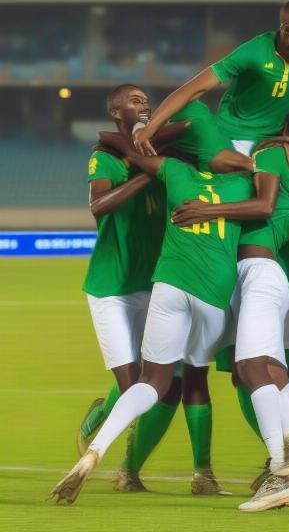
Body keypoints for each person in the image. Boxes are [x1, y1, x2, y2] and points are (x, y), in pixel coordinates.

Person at [51, 126, 254, 504]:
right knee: (192, 381)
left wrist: (118, 139)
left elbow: (126, 145)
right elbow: (264, 195)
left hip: (164, 283)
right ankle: (202, 473)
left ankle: (98, 453)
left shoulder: (173, 175)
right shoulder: (243, 185)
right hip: (201, 292)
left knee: (151, 383)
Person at [171, 106, 289, 512]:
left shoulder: (271, 155)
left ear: (284, 128)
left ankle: (280, 472)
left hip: (260, 273)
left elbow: (265, 206)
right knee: (270, 368)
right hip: (270, 273)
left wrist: (205, 209)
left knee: (249, 368)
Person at [131, 0, 289, 187]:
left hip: (276, 141)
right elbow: (193, 89)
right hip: (234, 138)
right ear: (286, 30)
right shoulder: (254, 53)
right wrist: (150, 128)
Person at [78, 84, 183, 493]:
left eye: (147, 100)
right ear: (116, 111)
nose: (146, 105)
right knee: (132, 389)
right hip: (110, 286)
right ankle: (104, 413)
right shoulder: (103, 157)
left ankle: (129, 469)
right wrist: (145, 174)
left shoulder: (158, 153)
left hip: (151, 283)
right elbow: (99, 206)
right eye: (136, 100)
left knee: (155, 384)